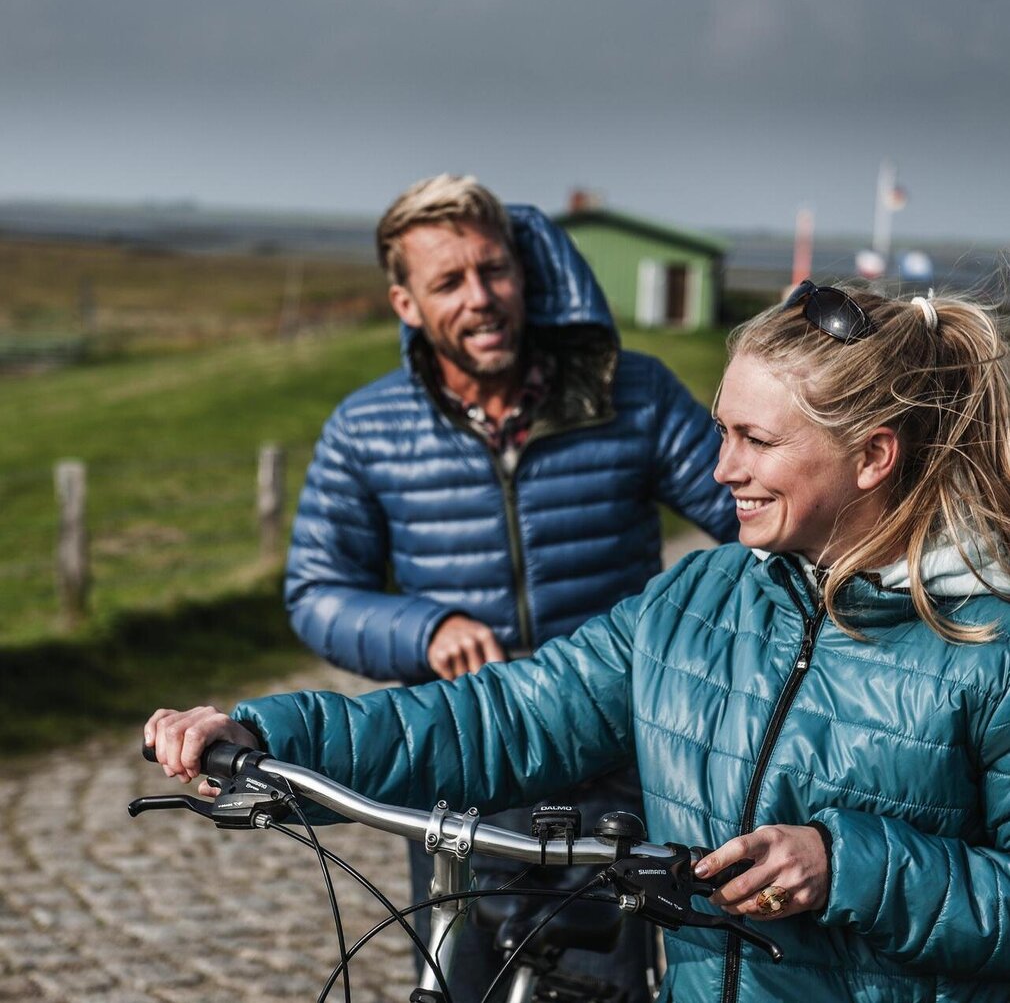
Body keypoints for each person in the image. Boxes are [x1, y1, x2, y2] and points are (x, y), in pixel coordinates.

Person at [150, 281, 1010, 1001]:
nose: (721, 469)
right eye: (721, 431)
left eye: (756, 440)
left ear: (872, 456)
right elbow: (503, 719)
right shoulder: (693, 600)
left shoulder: (989, 647)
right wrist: (272, 738)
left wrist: (849, 867)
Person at [275, 175, 739, 1000]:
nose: (481, 298)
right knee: (459, 981)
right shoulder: (366, 427)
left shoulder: (633, 394)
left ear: (526, 275)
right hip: (459, 762)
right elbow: (316, 590)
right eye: (448, 281)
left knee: (602, 982)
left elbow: (755, 519)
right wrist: (425, 629)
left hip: (614, 758)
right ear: (406, 303)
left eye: (494, 270)